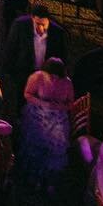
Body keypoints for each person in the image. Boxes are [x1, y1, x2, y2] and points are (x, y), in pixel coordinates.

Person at [16, 58, 74, 190]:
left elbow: (71, 104)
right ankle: (33, 174)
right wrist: (43, 103)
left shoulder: (67, 83)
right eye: (51, 76)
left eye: (57, 78)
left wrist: (60, 107)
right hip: (38, 111)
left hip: (58, 116)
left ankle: (49, 176)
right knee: (38, 137)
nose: (54, 80)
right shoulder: (37, 77)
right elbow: (27, 94)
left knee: (57, 142)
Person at [1, 8, 64, 107]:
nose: (40, 28)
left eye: (43, 25)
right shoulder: (19, 26)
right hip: (25, 72)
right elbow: (11, 48)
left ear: (48, 21)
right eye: (37, 24)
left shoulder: (58, 33)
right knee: (22, 100)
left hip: (47, 76)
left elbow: (62, 57)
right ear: (32, 19)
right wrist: (11, 72)